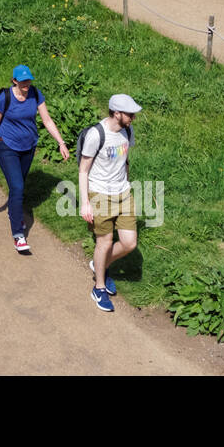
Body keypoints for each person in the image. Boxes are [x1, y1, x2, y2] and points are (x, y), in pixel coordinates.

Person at [0, 64, 69, 254]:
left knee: (17, 186)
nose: (26, 84)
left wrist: (61, 142)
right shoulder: (5, 98)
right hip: (7, 147)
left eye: (28, 80)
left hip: (28, 147)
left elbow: (47, 120)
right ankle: (18, 235)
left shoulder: (35, 94)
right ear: (14, 81)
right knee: (18, 187)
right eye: (22, 82)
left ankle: (13, 212)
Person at [81, 94, 142, 313]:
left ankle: (100, 265)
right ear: (116, 113)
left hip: (123, 193)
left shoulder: (127, 131)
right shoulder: (96, 135)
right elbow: (83, 170)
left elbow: (125, 160)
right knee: (104, 242)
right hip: (100, 194)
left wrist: (126, 182)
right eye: (129, 114)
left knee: (129, 243)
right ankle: (99, 287)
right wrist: (85, 203)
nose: (133, 117)